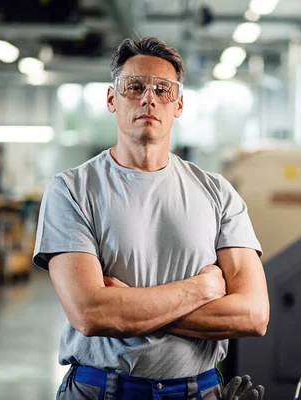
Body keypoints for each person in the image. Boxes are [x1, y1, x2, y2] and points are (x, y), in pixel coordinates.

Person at [33, 37, 270, 400]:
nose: (149, 98)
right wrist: (202, 290)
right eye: (135, 87)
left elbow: (253, 315)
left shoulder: (218, 193)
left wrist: (129, 310)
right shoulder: (71, 190)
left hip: (199, 391)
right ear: (112, 99)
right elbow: (90, 313)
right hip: (102, 390)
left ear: (178, 105)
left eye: (163, 89)